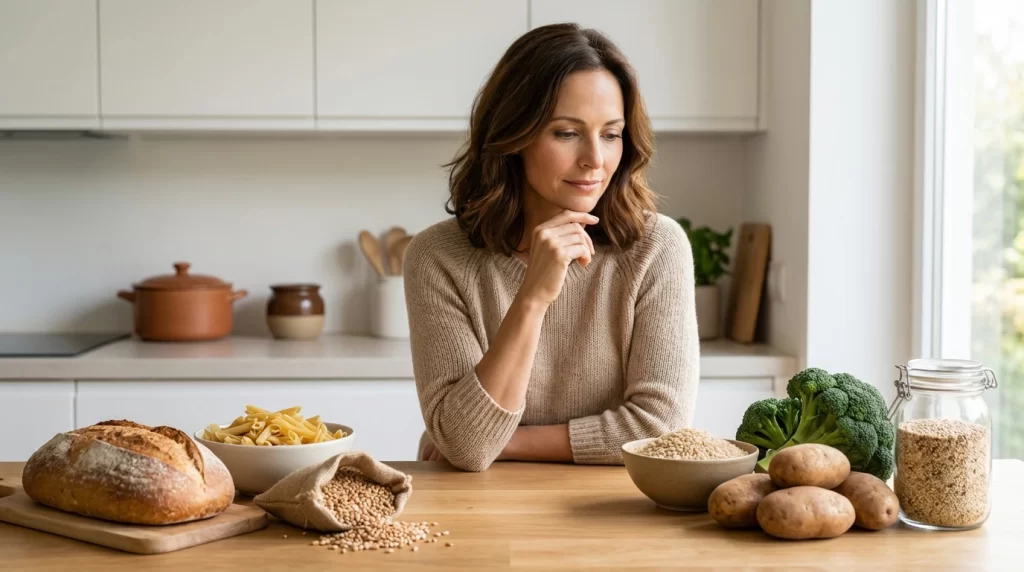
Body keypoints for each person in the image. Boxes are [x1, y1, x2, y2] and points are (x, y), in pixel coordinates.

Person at [402, 23, 699, 472]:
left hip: (617, 515)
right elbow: (465, 445)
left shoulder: (656, 247)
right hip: (479, 515)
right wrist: (533, 297)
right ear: (513, 136)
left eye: (611, 134)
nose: (595, 160)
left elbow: (660, 429)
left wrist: (510, 442)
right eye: (566, 133)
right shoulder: (437, 257)